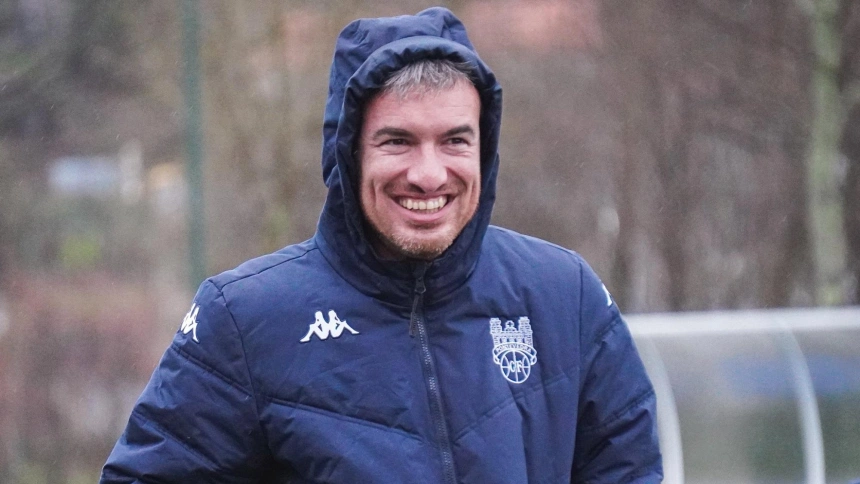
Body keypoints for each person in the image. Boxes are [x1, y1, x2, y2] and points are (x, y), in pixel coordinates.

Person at [101, 7, 662, 483]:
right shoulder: (245, 319)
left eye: (454, 140)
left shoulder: (565, 297)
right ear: (348, 154)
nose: (429, 174)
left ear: (484, 151)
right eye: (398, 141)